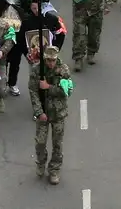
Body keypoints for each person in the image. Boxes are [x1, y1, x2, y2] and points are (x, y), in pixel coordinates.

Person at [30, 45, 73, 185]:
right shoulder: (37, 69)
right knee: (40, 142)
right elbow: (33, 92)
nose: (50, 63)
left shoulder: (63, 70)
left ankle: (54, 169)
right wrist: (39, 112)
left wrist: (48, 87)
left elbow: (66, 91)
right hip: (43, 112)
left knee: (57, 144)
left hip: (58, 113)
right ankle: (41, 163)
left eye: (53, 60)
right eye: (48, 60)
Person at [0, 0, 31, 95]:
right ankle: (1, 84)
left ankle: (12, 84)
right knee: (2, 61)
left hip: (18, 36)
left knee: (15, 62)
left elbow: (28, 14)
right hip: (2, 36)